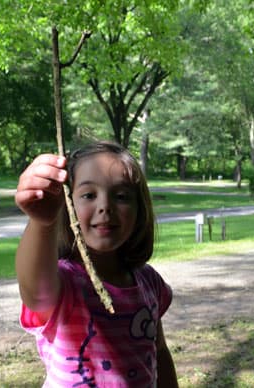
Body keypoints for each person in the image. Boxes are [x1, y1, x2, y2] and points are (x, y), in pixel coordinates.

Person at [15, 140, 179, 387]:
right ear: (67, 206)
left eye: (122, 196)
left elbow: (160, 352)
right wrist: (41, 222)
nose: (105, 207)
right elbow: (36, 292)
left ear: (139, 209)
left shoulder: (149, 282)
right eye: (89, 195)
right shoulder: (65, 283)